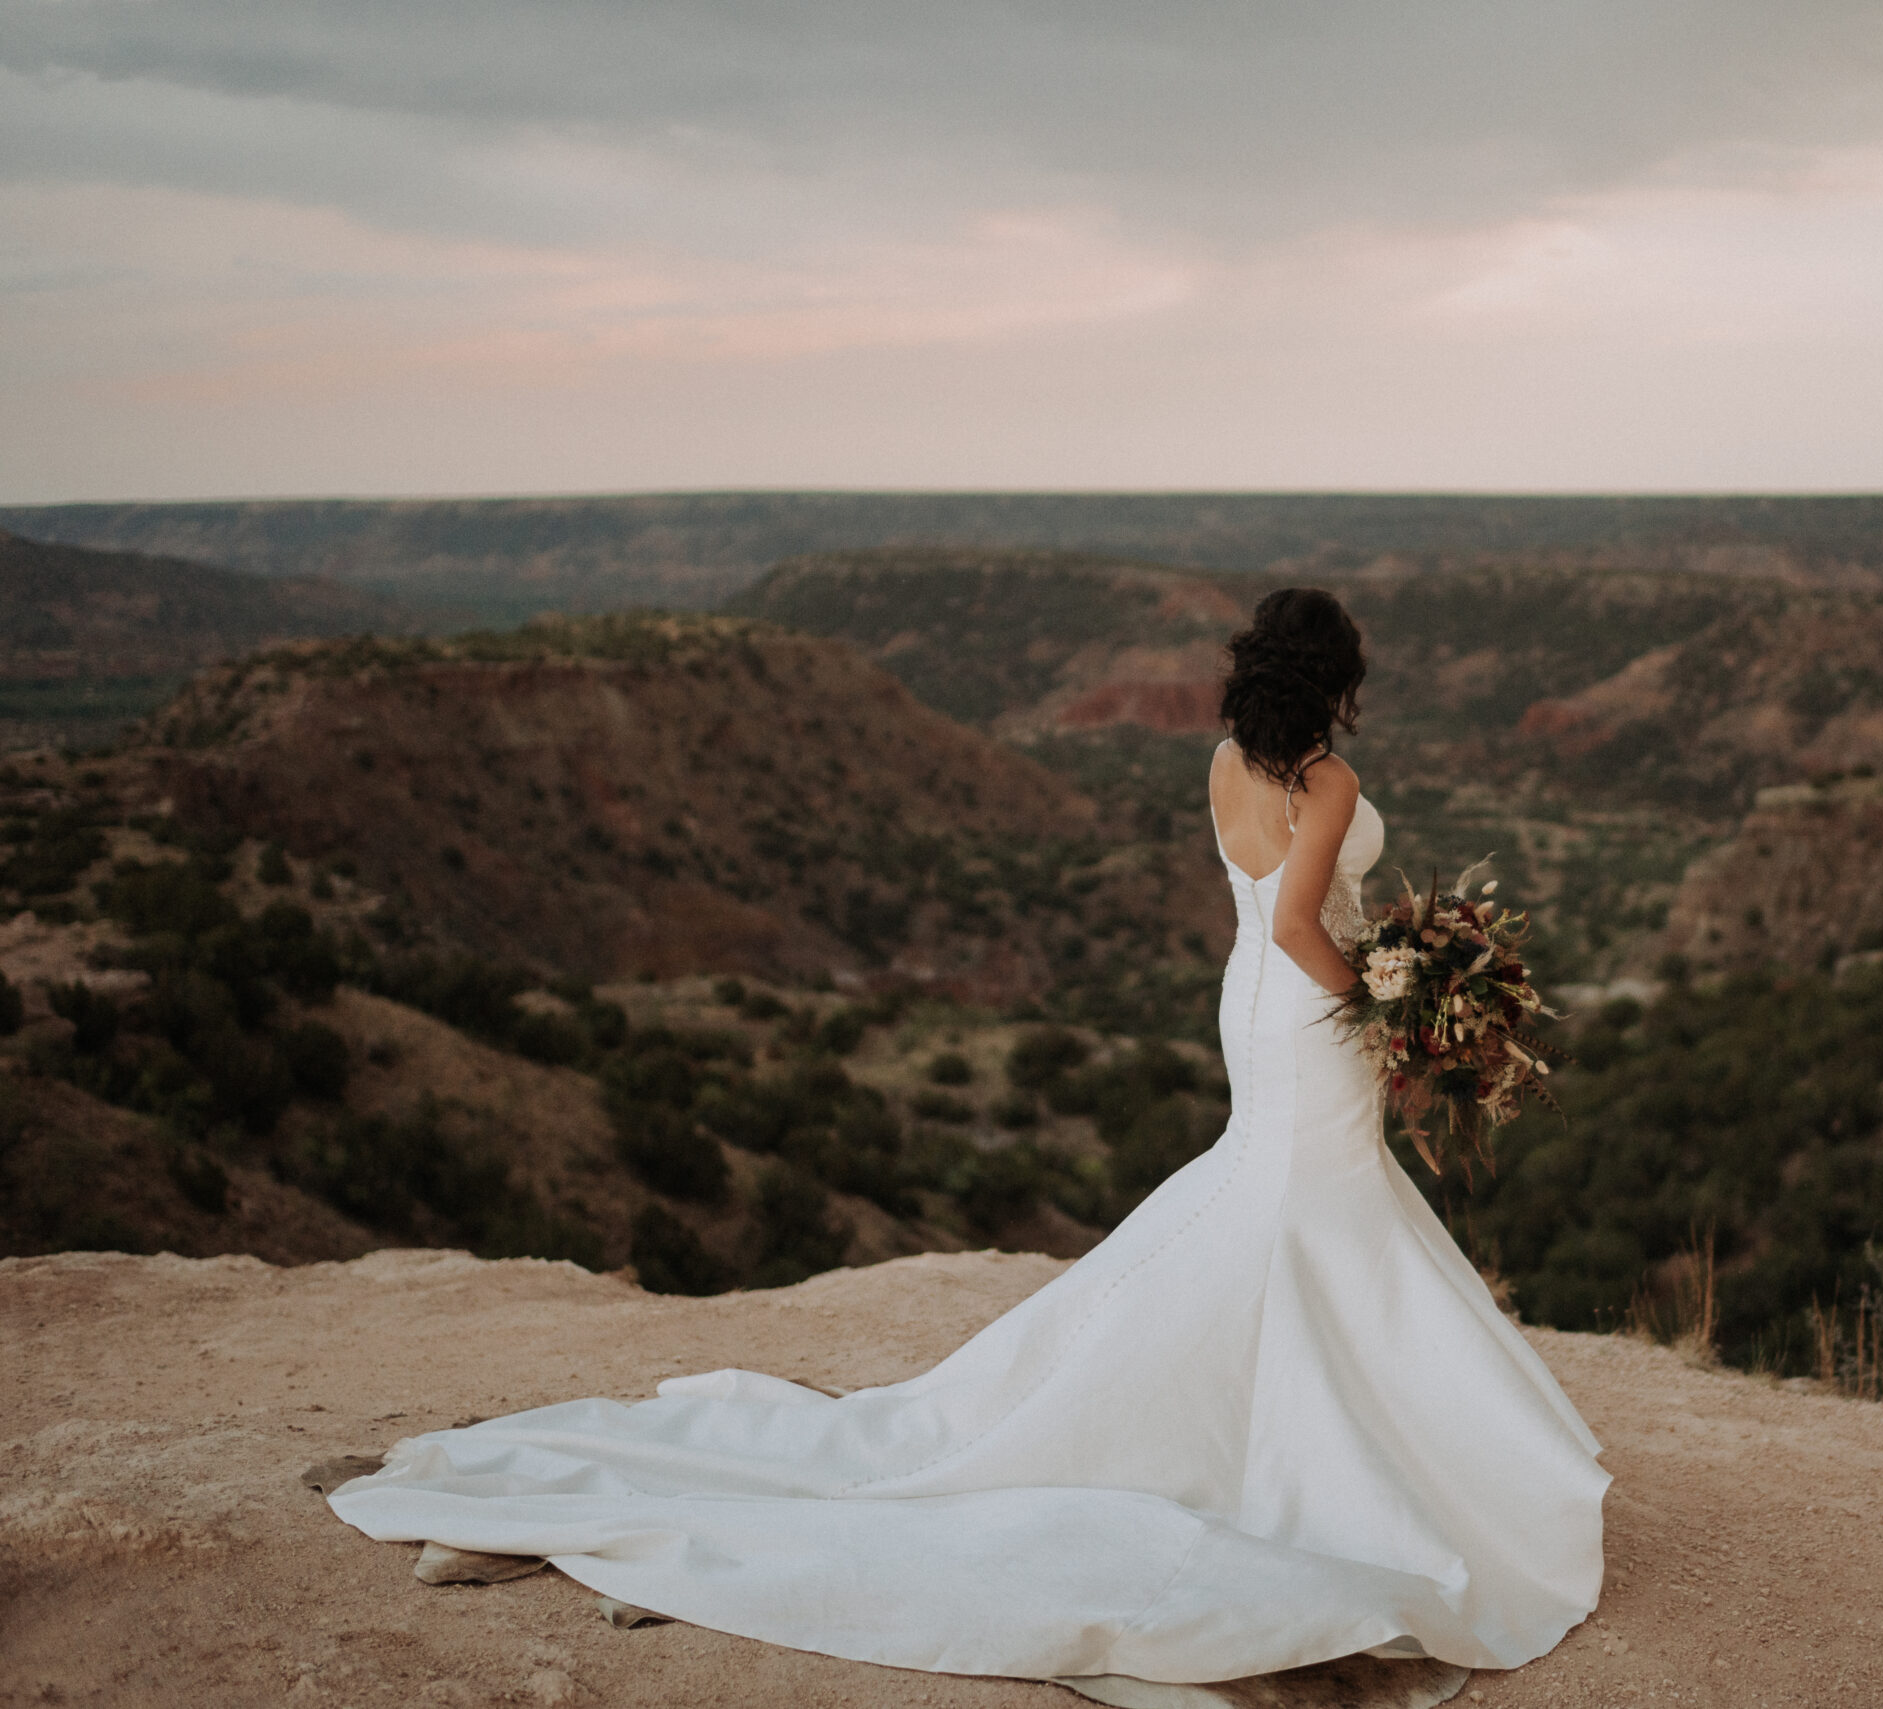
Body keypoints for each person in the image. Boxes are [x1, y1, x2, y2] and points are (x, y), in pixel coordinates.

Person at [328, 586, 1607, 1687]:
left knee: (1283, 1199)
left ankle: (1275, 1406)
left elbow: (1258, 908)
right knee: (1314, 1203)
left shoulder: (1225, 761)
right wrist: (1393, 1009)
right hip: (1308, 1002)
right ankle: (1313, 1436)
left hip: (1248, 1012)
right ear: (1334, 683)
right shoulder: (1329, 781)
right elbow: (1298, 926)